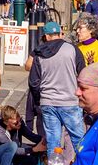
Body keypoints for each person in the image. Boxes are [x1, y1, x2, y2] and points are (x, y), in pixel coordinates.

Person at [28, 21, 87, 150]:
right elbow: (83, 74)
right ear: (60, 34)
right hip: (70, 101)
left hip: (48, 102)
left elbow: (33, 82)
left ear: (46, 36)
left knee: (53, 142)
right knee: (79, 140)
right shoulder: (72, 49)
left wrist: (40, 99)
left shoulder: (39, 54)